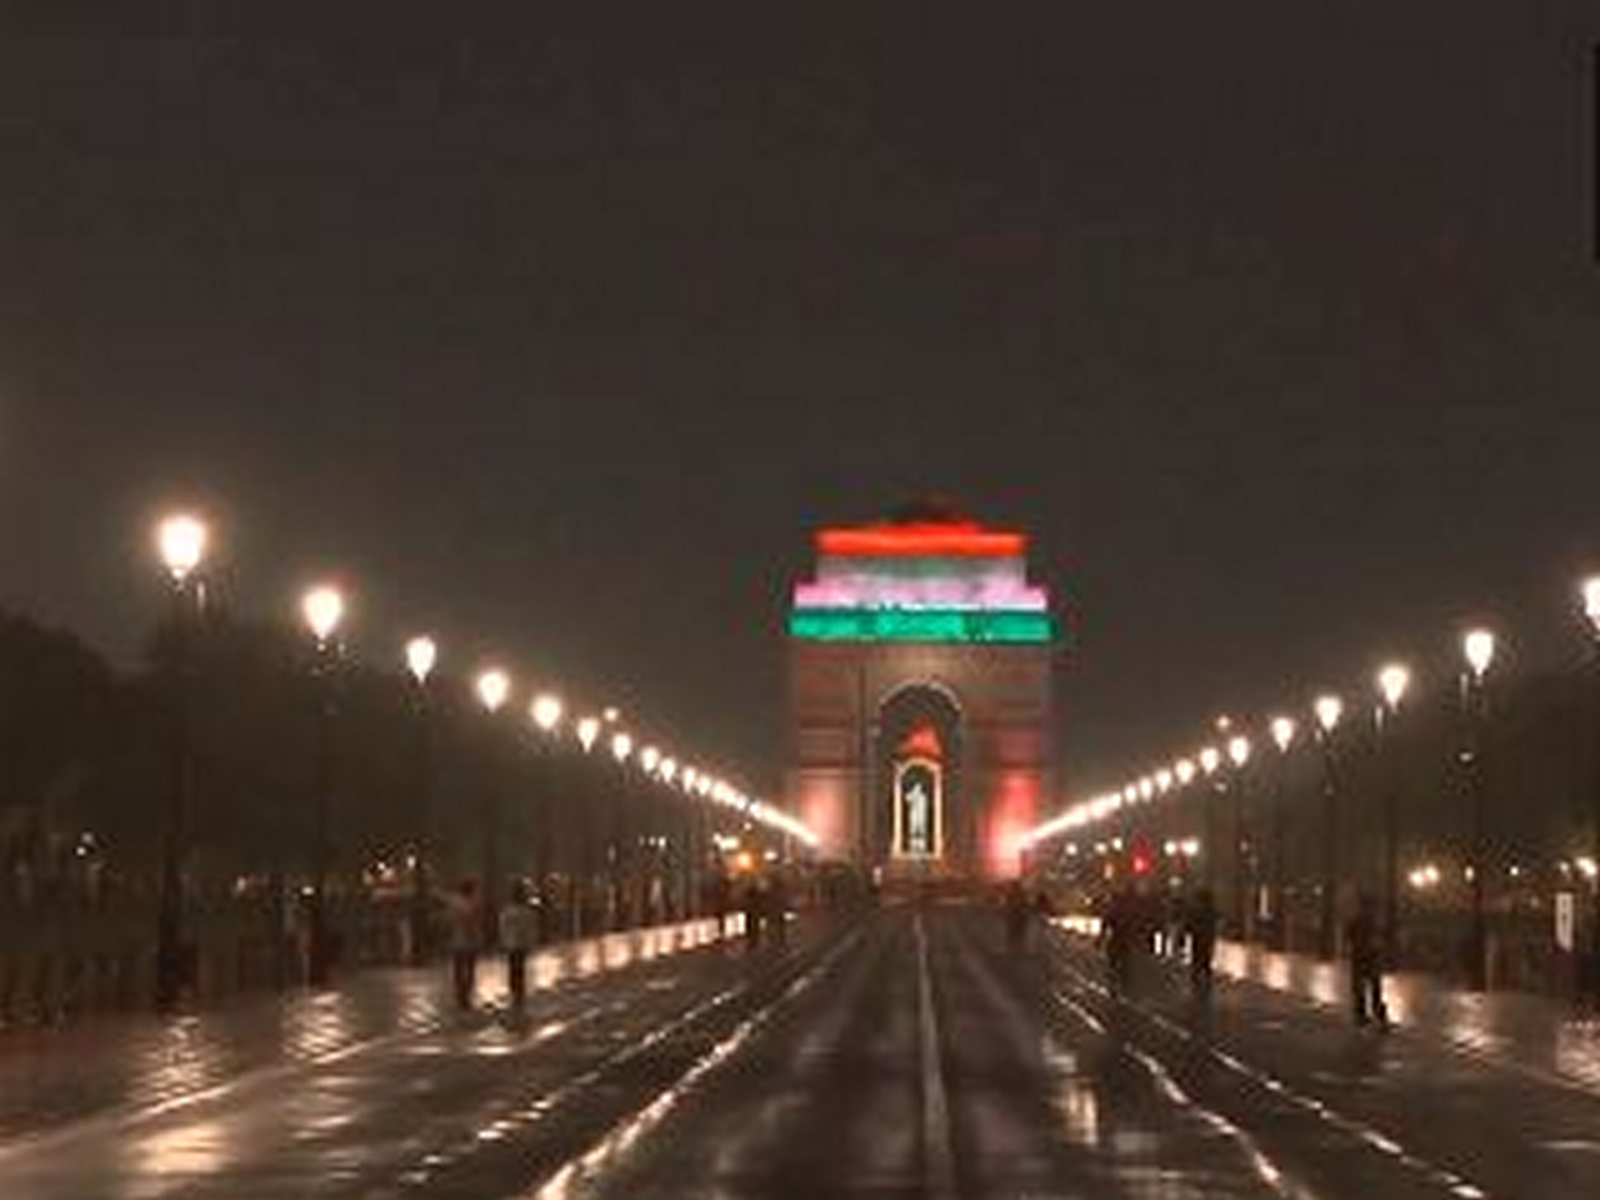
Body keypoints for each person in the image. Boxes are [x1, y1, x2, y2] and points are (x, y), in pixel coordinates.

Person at [1346, 892, 1389, 1029]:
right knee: (1374, 989)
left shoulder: (1356, 920)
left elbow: (1349, 937)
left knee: (1362, 988)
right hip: (1370, 957)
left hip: (1361, 957)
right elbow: (1379, 938)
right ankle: (1378, 1016)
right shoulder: (1374, 922)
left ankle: (1363, 1015)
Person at [498, 879, 539, 1014]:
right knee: (520, 969)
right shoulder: (527, 911)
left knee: (513, 969)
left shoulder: (508, 910)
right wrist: (531, 942)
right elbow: (531, 928)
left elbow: (502, 926)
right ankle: (519, 993)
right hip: (521, 944)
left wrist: (503, 941)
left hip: (511, 944)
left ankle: (515, 991)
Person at [444, 879, 482, 1011]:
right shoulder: (471, 904)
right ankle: (466, 996)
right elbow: (472, 922)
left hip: (456, 941)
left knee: (459, 971)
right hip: (469, 941)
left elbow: (448, 921)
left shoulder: (453, 903)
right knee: (469, 970)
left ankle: (461, 995)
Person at [1183, 887, 1219, 1002]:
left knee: (1198, 959)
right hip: (1206, 938)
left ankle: (1197, 983)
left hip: (1199, 938)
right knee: (1205, 960)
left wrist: (1186, 933)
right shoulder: (1210, 911)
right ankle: (1205, 983)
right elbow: (1216, 923)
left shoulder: (1197, 911)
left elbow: (1189, 925)